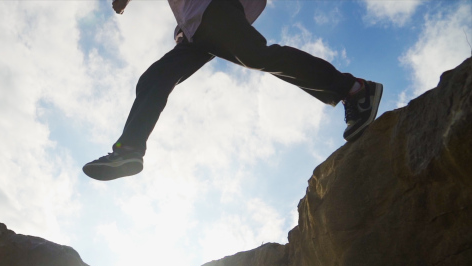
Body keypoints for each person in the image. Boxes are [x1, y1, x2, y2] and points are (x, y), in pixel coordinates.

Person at [83, 0, 383, 181]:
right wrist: (182, 28)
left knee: (257, 55)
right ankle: (128, 151)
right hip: (195, 27)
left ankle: (355, 90)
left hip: (213, 10)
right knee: (154, 79)